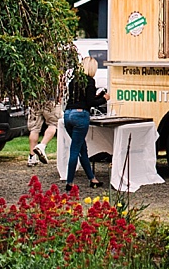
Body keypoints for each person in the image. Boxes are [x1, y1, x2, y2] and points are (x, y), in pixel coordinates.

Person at [64, 55, 109, 191]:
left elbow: (84, 98)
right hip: (80, 115)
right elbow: (90, 103)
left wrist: (98, 96)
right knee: (75, 150)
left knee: (82, 148)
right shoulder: (90, 81)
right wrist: (104, 99)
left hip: (68, 115)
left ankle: (92, 179)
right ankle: (69, 182)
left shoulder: (73, 81)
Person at [26, 99, 60, 167]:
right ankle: (41, 146)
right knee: (53, 124)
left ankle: (32, 157)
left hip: (35, 100)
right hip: (51, 100)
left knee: (34, 128)